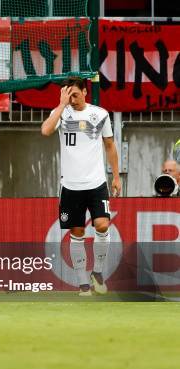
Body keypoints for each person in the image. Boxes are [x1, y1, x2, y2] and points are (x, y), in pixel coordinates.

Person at [41, 76, 121, 296]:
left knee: (102, 225)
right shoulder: (60, 113)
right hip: (70, 185)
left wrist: (116, 176)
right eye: (68, 94)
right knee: (77, 233)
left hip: (96, 183)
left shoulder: (100, 114)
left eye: (75, 94)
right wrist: (61, 104)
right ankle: (83, 283)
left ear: (85, 92)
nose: (72, 99)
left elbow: (110, 145)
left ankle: (97, 271)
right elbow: (46, 130)